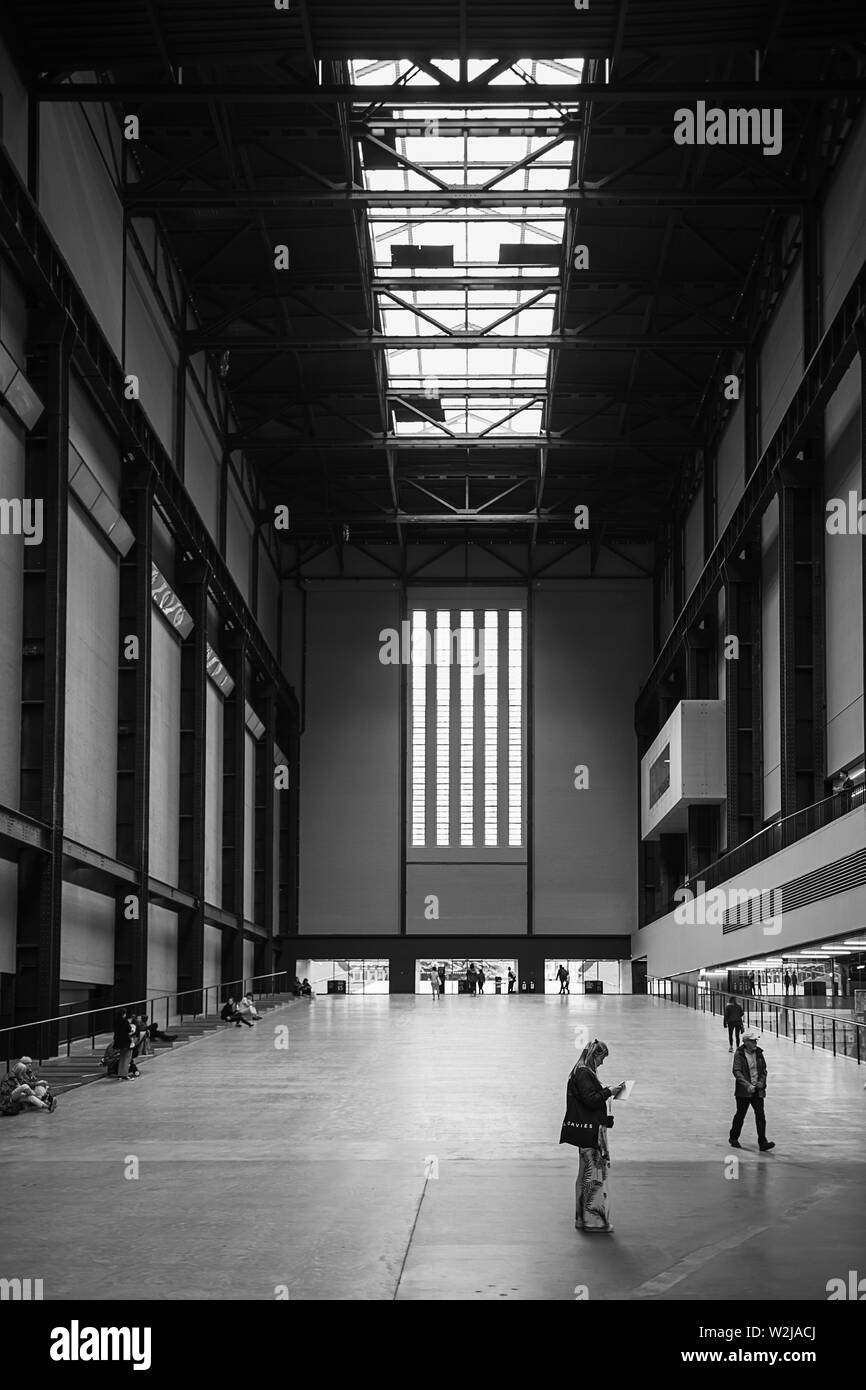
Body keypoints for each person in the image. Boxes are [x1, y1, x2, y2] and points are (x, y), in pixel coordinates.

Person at [560, 1039, 626, 1233]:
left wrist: (607, 1091)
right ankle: (593, 1220)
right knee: (594, 1174)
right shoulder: (583, 1072)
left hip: (586, 1130)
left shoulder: (581, 1071)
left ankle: (583, 1218)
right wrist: (609, 1091)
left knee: (586, 1172)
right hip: (590, 1132)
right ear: (595, 1055)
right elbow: (591, 1100)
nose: (602, 1063)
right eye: (602, 1058)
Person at [729, 1030, 775, 1152]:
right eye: (753, 1041)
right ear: (746, 1042)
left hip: (757, 1090)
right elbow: (737, 1071)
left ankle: (762, 1142)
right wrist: (747, 1085)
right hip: (744, 1091)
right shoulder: (739, 1054)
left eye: (756, 1040)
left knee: (760, 1115)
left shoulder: (759, 1053)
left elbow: (764, 1070)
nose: (755, 1043)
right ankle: (733, 1138)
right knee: (740, 1115)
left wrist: (762, 1082)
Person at [114, 1010, 135, 1079]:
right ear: (123, 1014)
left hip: (118, 1042)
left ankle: (120, 1074)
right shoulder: (125, 1021)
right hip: (126, 1042)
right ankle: (125, 1074)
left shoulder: (116, 1021)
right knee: (127, 1058)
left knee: (122, 1058)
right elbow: (129, 1030)